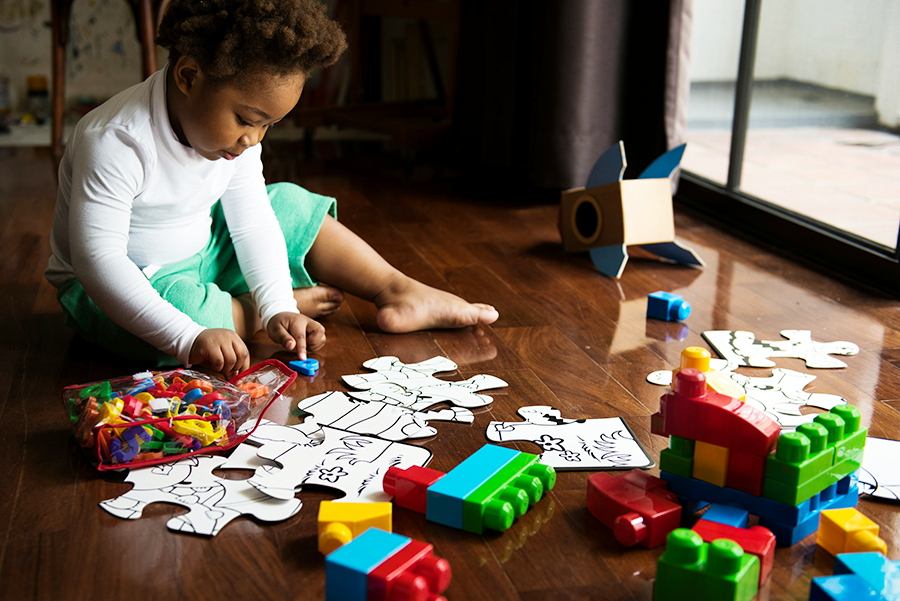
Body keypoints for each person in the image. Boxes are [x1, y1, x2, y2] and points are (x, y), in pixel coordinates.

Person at [45, 0, 498, 379]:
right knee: (190, 314)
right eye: (246, 119)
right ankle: (247, 313)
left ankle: (395, 288)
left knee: (289, 205)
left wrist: (279, 302)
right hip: (117, 284)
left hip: (202, 253)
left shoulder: (237, 141)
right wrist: (189, 336)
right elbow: (98, 261)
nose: (254, 139)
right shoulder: (115, 140)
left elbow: (252, 221)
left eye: (268, 125)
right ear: (188, 77)